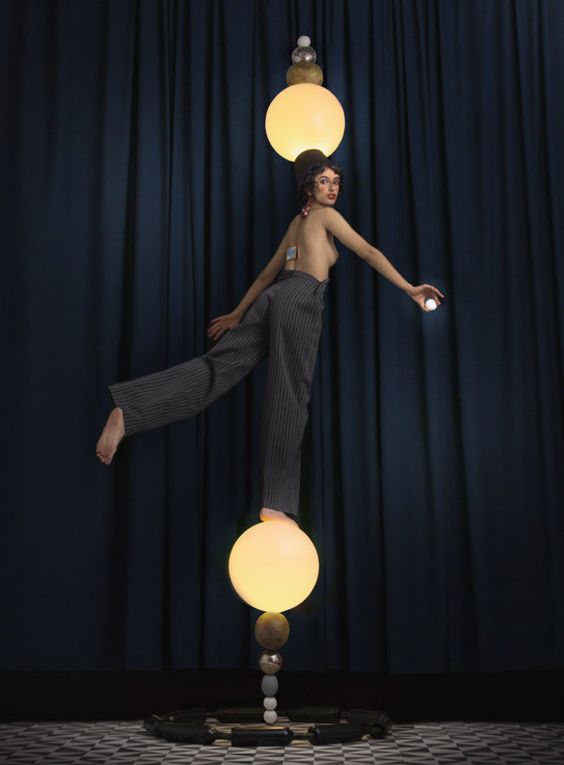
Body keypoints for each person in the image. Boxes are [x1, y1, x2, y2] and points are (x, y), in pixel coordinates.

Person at [96, 156, 444, 526]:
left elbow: (267, 276)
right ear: (309, 187)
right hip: (301, 300)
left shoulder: (298, 224)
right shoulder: (327, 218)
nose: (333, 188)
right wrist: (409, 288)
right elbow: (367, 251)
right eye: (325, 181)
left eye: (336, 182)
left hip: (273, 298)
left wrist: (238, 314)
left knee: (214, 370)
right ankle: (275, 503)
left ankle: (129, 412)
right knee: (290, 397)